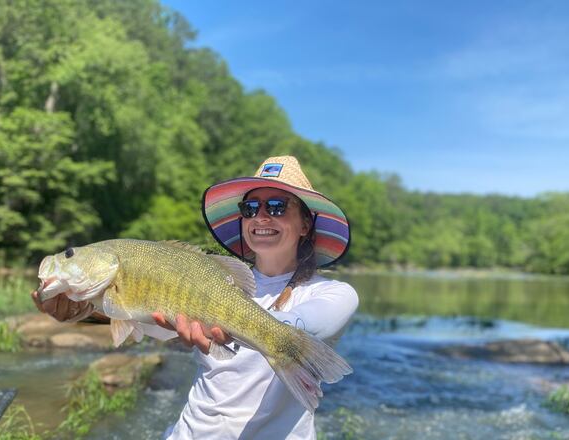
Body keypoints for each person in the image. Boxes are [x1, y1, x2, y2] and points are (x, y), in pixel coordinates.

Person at [32, 156, 359, 439]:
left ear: (305, 224)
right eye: (250, 207)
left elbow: (301, 326)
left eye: (276, 207)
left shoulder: (334, 294)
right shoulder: (225, 280)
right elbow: (150, 322)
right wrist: (82, 311)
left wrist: (232, 325)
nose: (261, 217)